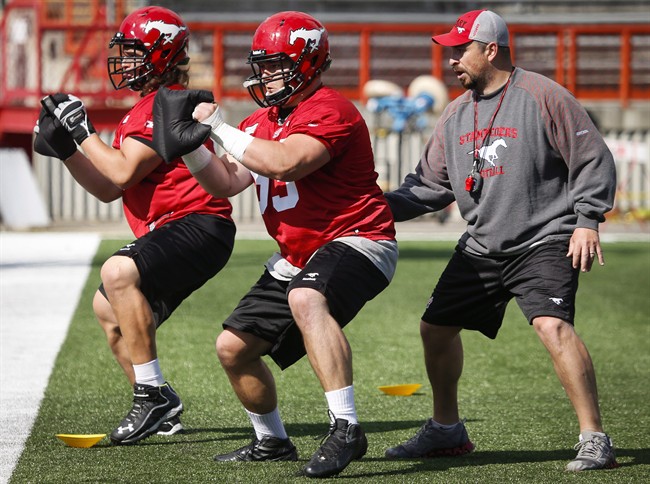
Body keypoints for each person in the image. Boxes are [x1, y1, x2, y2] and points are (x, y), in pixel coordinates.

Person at [152, 11, 398, 478]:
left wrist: (218, 129)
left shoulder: (332, 109)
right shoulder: (262, 120)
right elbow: (225, 183)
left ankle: (346, 427)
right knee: (233, 347)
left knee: (308, 297)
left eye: (277, 64)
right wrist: (192, 148)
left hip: (360, 238)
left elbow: (287, 164)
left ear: (309, 62)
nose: (265, 75)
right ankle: (272, 440)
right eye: (261, 65)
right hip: (298, 254)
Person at [382, 9, 618, 472]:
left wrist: (588, 219)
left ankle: (595, 438)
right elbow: (430, 185)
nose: (451, 60)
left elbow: (592, 157)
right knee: (435, 328)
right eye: (449, 51)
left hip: (545, 236)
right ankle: (447, 429)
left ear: (491, 50)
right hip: (483, 243)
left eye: (460, 49)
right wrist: (371, 205)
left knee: (551, 325)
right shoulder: (455, 114)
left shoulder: (543, 95)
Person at [33, 6, 236, 445]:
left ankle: (150, 396)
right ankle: (163, 405)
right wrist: (69, 150)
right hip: (175, 228)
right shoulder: (141, 109)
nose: (123, 63)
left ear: (162, 55)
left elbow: (122, 172)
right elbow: (110, 189)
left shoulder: (163, 105)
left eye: (133, 53)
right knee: (107, 310)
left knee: (117, 272)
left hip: (199, 223)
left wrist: (83, 132)